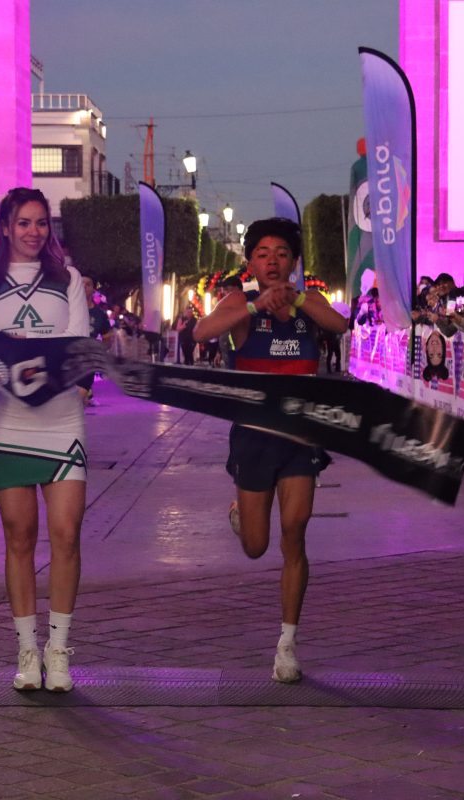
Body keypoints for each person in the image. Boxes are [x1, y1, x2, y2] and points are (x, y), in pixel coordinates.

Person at [192, 217, 348, 683]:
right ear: (251, 262)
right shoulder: (240, 302)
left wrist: (298, 298)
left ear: (294, 262)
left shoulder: (309, 303)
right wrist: (256, 304)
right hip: (254, 437)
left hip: (300, 435)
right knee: (257, 547)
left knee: (295, 530)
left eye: (282, 253)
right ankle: (242, 512)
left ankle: (287, 644)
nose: (273, 261)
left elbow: (340, 324)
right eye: (263, 254)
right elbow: (201, 333)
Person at [0, 187, 89, 693]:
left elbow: (75, 348)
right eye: (23, 223)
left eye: (40, 223)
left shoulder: (68, 280)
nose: (33, 232)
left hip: (60, 420)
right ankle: (27, 651)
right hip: (7, 425)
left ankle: (60, 648)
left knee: (68, 535)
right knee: (19, 538)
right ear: (5, 227)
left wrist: (18, 357)